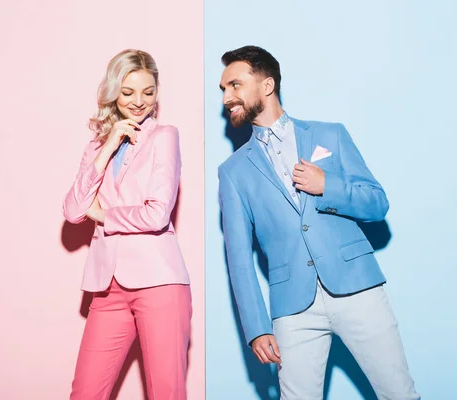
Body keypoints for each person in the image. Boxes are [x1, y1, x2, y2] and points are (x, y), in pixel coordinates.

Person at [218, 45, 420, 400]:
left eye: (234, 85)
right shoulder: (232, 172)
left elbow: (377, 204)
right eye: (222, 89)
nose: (226, 97)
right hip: (292, 307)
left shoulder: (330, 135)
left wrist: (328, 186)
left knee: (399, 395)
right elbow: (238, 259)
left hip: (358, 290)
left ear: (266, 85)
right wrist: (256, 327)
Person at [63, 49, 191, 400]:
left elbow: (156, 214)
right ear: (113, 91)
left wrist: (103, 215)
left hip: (160, 283)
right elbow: (74, 210)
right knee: (85, 393)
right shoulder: (96, 147)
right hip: (107, 288)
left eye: (148, 92)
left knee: (167, 392)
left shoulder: (164, 136)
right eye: (129, 92)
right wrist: (107, 148)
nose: (139, 102)